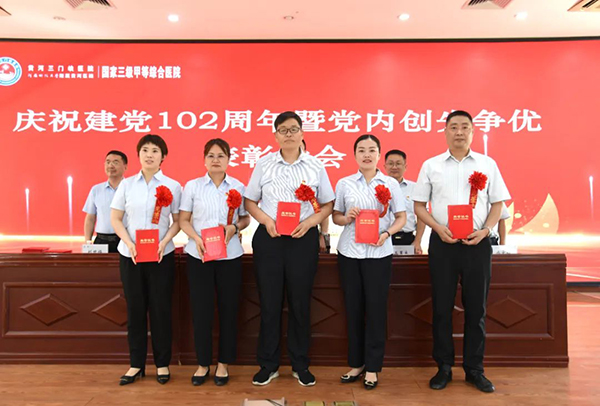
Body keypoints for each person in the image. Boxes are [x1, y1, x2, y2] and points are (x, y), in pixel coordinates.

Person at [412, 111, 510, 393]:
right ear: (445, 132)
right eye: (453, 127)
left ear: (472, 132)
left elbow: (497, 204)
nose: (459, 132)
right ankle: (443, 367)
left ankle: (474, 369)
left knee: (476, 309)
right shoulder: (431, 165)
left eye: (464, 127)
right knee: (442, 308)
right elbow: (419, 205)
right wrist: (437, 228)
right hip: (443, 243)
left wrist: (486, 230)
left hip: (477, 244)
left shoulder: (487, 164)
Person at [244, 111, 335, 387]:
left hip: (302, 239)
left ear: (302, 133)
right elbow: (250, 201)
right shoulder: (264, 164)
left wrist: (310, 223)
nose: (289, 134)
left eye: (294, 129)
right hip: (269, 238)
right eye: (283, 130)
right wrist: (266, 221)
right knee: (269, 303)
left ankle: (300, 364)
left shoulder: (316, 166)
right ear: (275, 136)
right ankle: (268, 364)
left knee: (299, 303)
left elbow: (328, 204)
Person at [333, 134, 406, 390]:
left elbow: (401, 217)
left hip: (379, 253)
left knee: (375, 310)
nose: (367, 154)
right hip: (349, 253)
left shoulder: (390, 184)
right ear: (354, 155)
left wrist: (387, 234)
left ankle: (373, 367)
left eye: (372, 150)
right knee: (353, 309)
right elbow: (335, 217)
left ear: (379, 155)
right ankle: (356, 364)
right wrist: (346, 217)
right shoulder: (344, 183)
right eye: (361, 150)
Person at [110, 134, 182, 386]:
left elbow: (178, 222)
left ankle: (162, 364)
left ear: (163, 156)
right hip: (131, 256)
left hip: (162, 256)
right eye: (145, 150)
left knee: (161, 310)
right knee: (135, 310)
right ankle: (136, 364)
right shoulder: (127, 185)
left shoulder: (173, 186)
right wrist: (129, 243)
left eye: (155, 151)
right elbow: (116, 218)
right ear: (138, 155)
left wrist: (165, 241)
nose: (149, 155)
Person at [179, 138, 251, 386]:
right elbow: (184, 220)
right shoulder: (193, 186)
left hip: (229, 256)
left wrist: (234, 227)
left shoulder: (238, 187)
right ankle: (203, 364)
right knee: (201, 311)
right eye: (211, 155)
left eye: (221, 155)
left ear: (229, 159)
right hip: (199, 255)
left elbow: (245, 219)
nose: (216, 160)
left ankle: (223, 364)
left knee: (229, 310)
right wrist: (196, 238)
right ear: (204, 160)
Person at [83, 150, 128, 252]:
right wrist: (87, 241)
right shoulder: (96, 190)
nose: (111, 165)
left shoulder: (131, 189)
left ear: (125, 167)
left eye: (115, 162)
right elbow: (90, 218)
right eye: (108, 162)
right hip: (101, 240)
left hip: (125, 240)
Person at [383, 149, 426, 254]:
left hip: (408, 239)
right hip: (383, 238)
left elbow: (422, 217)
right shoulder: (377, 187)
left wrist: (417, 241)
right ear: (385, 166)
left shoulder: (415, 188)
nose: (394, 167)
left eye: (398, 163)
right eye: (390, 164)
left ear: (405, 167)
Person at [301, 139, 331, 253]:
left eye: (300, 149)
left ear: (305, 151)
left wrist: (323, 234)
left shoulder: (314, 171)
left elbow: (323, 206)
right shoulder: (276, 171)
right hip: (278, 233)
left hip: (308, 231)